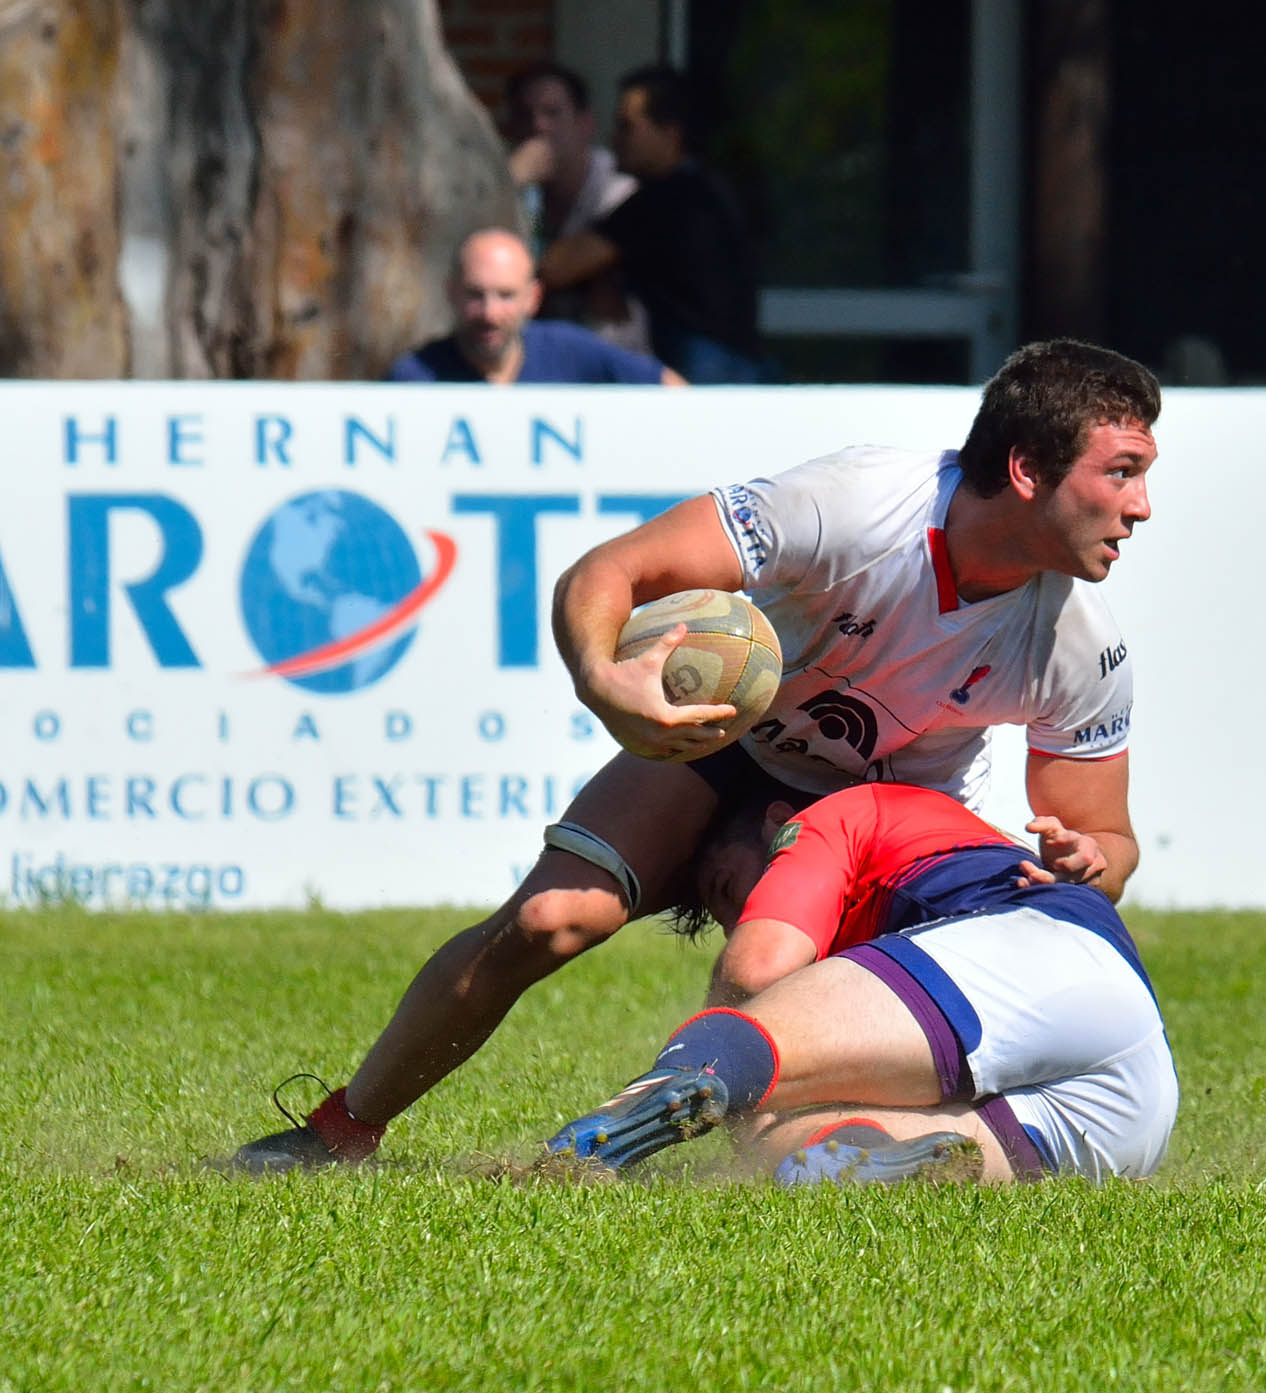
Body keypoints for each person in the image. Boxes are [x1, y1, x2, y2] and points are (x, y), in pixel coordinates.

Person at [231, 337, 1160, 1174]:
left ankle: (905, 1161)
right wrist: (603, 676)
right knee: (552, 918)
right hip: (719, 749)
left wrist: (1089, 861)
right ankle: (337, 1133)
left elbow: (1104, 839)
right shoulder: (852, 508)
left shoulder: (1080, 645)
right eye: (1121, 473)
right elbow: (609, 572)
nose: (1142, 507)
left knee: (808, 1070)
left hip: (876, 828)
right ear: (1027, 469)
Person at [543, 782, 1179, 1185]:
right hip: (1135, 1104)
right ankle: (867, 1158)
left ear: (775, 824)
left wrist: (716, 1049)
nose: (744, 916)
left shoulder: (836, 814)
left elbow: (755, 968)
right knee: (790, 1137)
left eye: (730, 890)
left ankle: (577, 1146)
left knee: (737, 1064)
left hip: (1031, 947)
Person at [539, 65, 765, 384]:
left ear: (670, 134)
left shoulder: (667, 197)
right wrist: (604, 278)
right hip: (741, 360)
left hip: (702, 365)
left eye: (627, 127)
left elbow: (554, 268)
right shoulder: (708, 189)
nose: (614, 138)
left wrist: (523, 185)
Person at [388, 228, 685, 386]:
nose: (490, 314)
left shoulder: (571, 350)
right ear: (450, 293)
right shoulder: (415, 379)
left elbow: (671, 390)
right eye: (475, 295)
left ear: (533, 298)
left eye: (506, 296)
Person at [502, 61, 652, 355]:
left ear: (584, 123)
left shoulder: (619, 192)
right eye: (525, 115)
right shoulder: (511, 188)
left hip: (613, 365)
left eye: (552, 113)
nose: (538, 126)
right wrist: (510, 182)